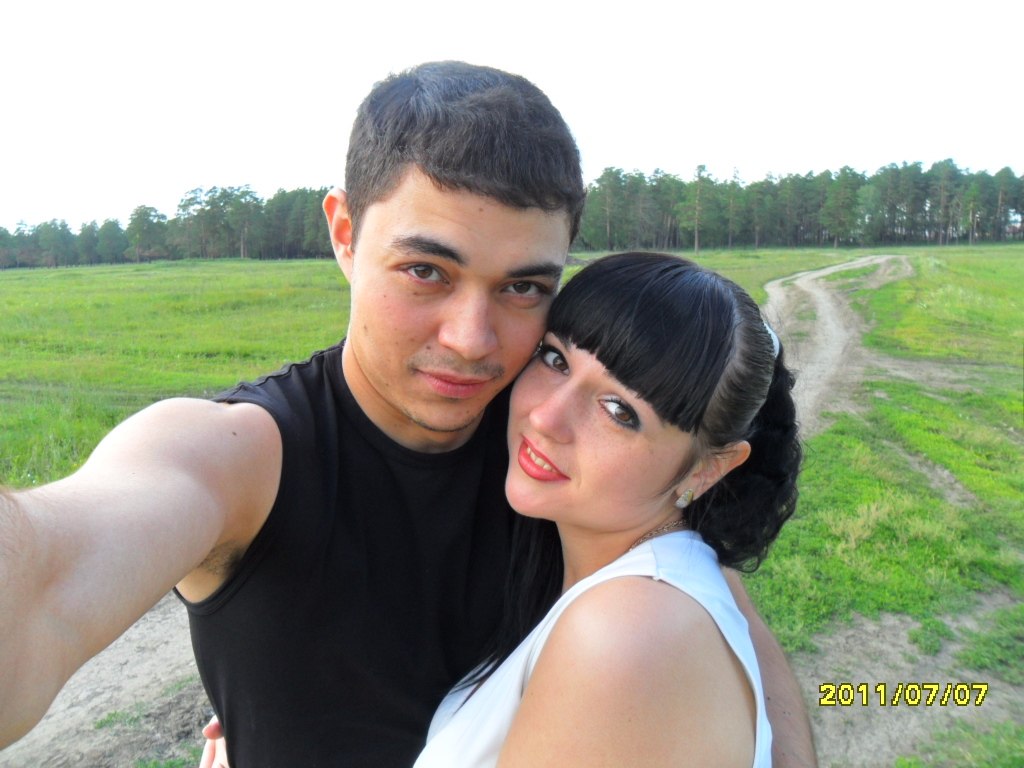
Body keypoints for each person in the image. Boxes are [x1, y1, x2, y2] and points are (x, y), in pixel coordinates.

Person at [0, 62, 815, 767]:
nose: (472, 341)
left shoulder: (570, 467)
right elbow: (46, 575)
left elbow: (719, 616)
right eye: (427, 270)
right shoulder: (244, 454)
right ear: (345, 234)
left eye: (523, 287)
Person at [413, 251, 800, 768]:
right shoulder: (628, 574)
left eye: (619, 410)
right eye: (556, 359)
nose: (546, 417)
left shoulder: (624, 633)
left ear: (706, 470)